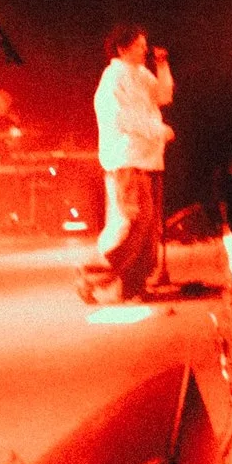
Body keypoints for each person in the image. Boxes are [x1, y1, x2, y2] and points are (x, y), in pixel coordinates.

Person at [80, 24, 174, 304]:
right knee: (132, 225)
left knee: (147, 230)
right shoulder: (113, 79)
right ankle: (92, 274)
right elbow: (121, 118)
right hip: (127, 161)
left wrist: (163, 65)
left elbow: (164, 96)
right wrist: (158, 131)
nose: (145, 50)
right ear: (123, 48)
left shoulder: (141, 74)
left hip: (147, 160)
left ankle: (133, 287)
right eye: (139, 46)